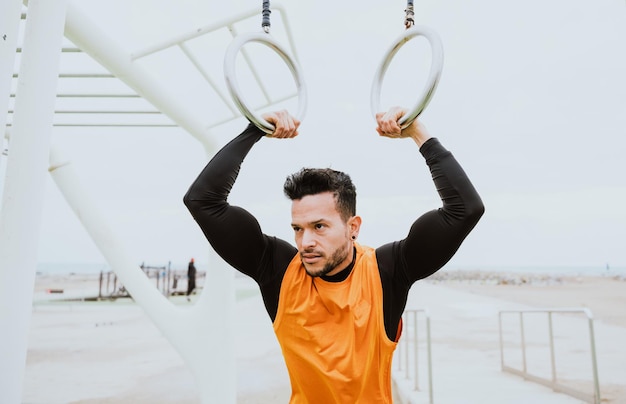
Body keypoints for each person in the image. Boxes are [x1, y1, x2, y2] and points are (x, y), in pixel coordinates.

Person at [183, 107, 484, 403]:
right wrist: (254, 131)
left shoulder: (386, 272)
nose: (306, 241)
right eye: (298, 228)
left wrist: (418, 133)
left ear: (353, 227)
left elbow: (465, 210)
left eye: (319, 226)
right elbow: (202, 201)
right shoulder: (278, 271)